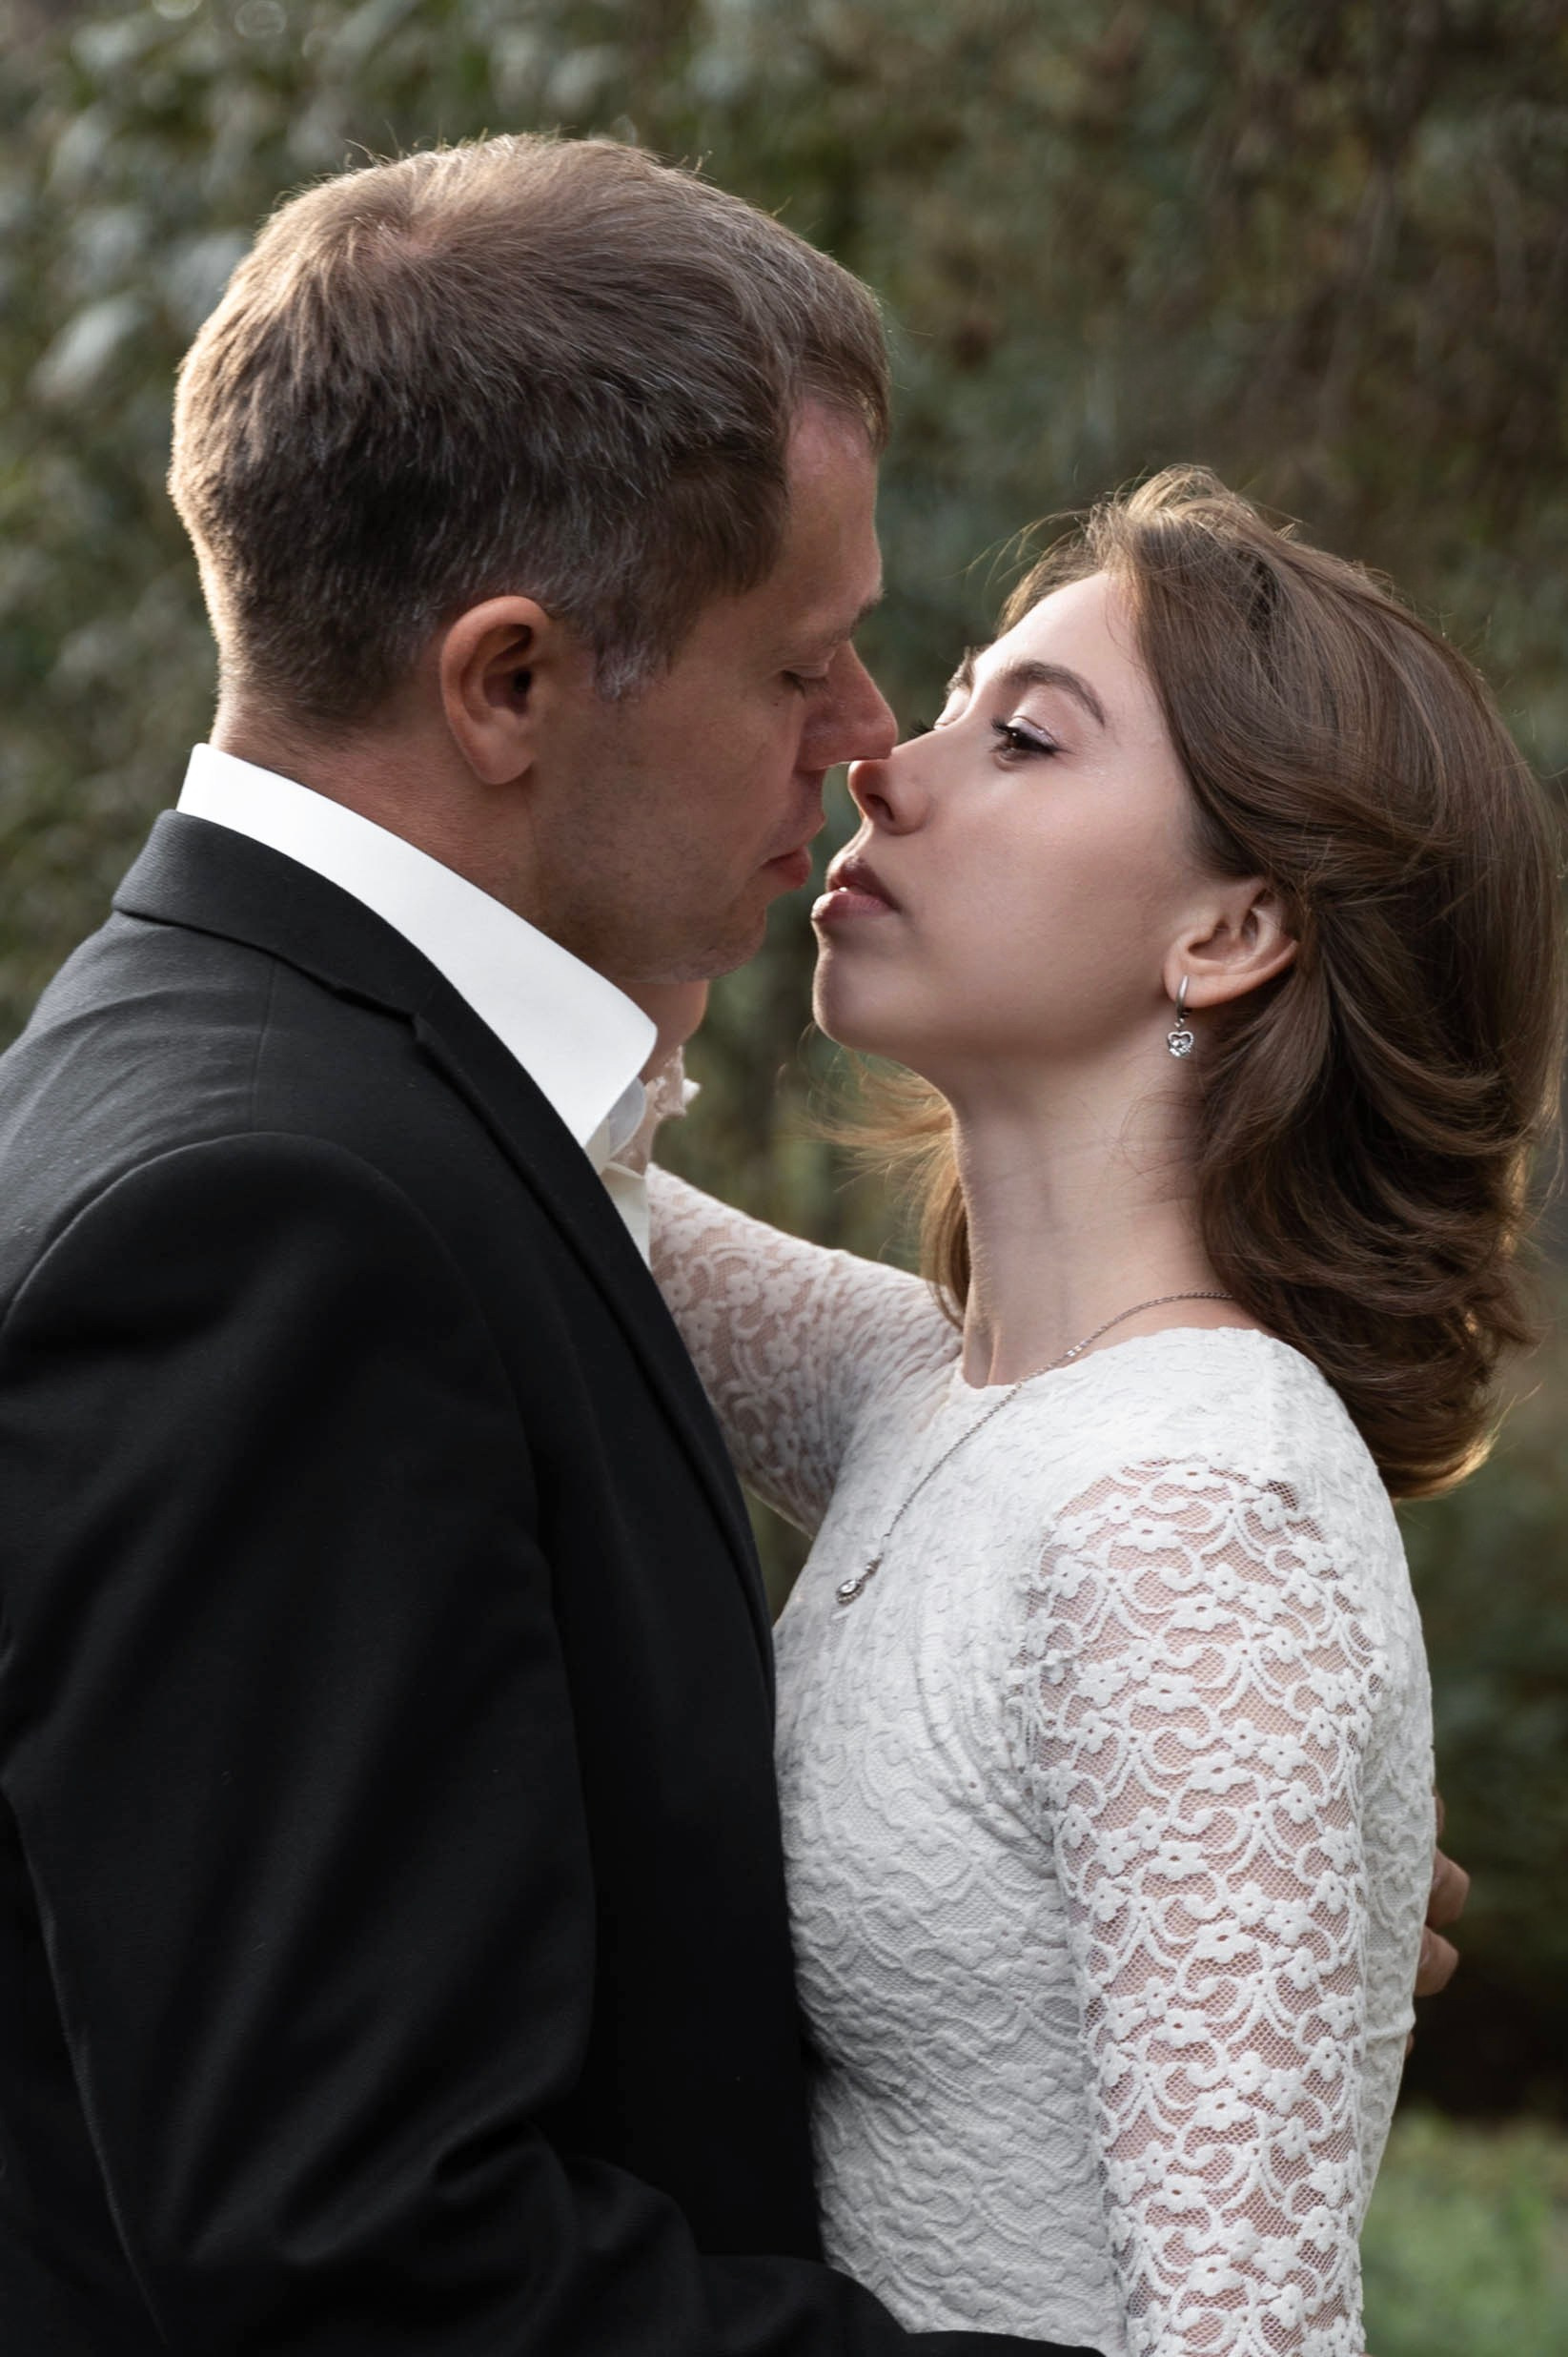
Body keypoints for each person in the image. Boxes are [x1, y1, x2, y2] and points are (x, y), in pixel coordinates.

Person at [0, 134, 1101, 2356]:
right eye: (799, 665)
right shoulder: (278, 1231)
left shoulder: (262, 1087)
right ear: (505, 682)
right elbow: (366, 2271)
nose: (864, 741)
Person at [637, 470, 1561, 2356]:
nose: (886, 767)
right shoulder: (931, 1398)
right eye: (947, 705)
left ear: (1228, 931)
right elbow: (545, 1179)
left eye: (1025, 739)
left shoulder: (1196, 1515)